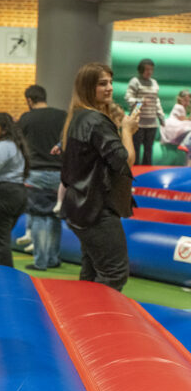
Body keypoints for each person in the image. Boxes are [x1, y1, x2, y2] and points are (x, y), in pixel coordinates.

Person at [61, 62, 140, 292]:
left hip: (80, 207)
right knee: (114, 273)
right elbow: (125, 161)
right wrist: (127, 130)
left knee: (92, 270)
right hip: (96, 210)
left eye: (111, 83)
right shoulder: (95, 121)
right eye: (102, 84)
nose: (109, 88)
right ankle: (99, 323)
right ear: (88, 87)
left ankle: (83, 319)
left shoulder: (77, 118)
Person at [18, 85, 67, 271]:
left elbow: (19, 143)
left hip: (36, 172)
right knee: (55, 215)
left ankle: (40, 261)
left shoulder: (26, 118)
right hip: (59, 174)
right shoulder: (62, 116)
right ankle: (53, 258)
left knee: (38, 215)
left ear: (30, 100)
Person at [0, 112, 29, 267]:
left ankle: (5, 277)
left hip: (4, 194)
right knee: (3, 239)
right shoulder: (15, 144)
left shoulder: (4, 146)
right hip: (17, 193)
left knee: (0, 241)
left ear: (3, 130)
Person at [125, 58, 164, 166]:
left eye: (151, 70)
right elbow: (128, 98)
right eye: (146, 69)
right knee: (136, 148)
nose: (149, 72)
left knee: (148, 150)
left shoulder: (154, 83)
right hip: (138, 122)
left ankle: (147, 171)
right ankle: (135, 171)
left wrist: (160, 116)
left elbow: (156, 100)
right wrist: (140, 101)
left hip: (151, 122)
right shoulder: (135, 81)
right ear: (140, 70)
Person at [161, 90, 191, 164]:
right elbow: (183, 119)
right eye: (185, 101)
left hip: (175, 123)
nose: (187, 103)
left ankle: (184, 144)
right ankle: (184, 144)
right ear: (180, 99)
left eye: (188, 101)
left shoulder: (180, 107)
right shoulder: (179, 107)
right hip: (174, 125)